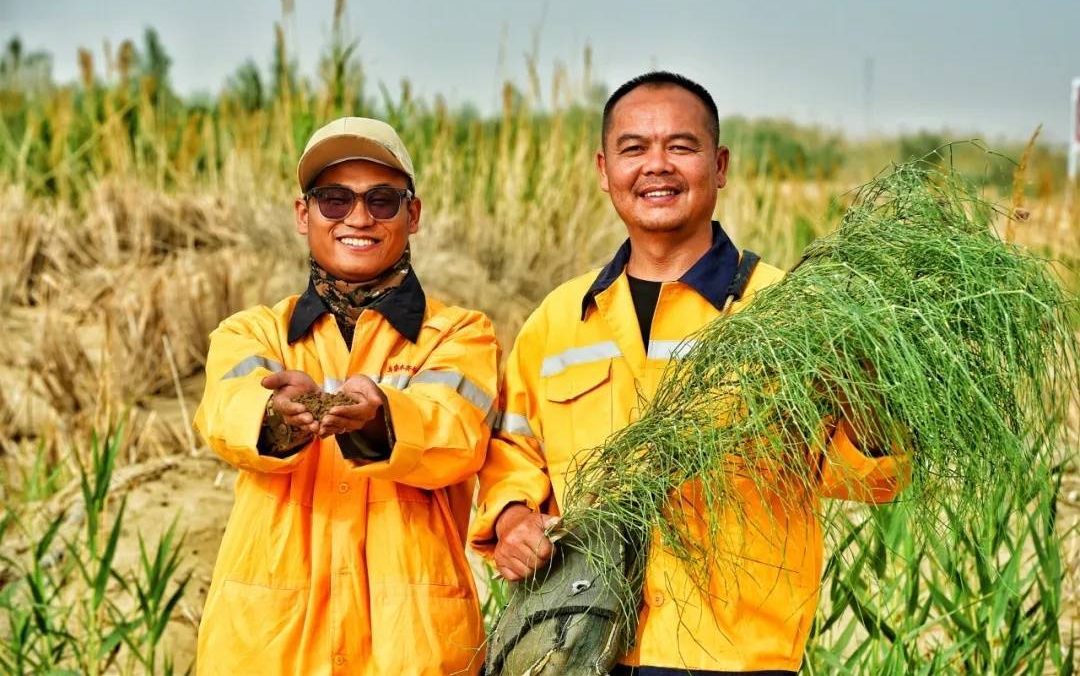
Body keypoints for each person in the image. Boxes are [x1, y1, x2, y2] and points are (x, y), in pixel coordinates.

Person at [469, 72, 905, 675]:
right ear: (604, 170)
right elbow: (514, 449)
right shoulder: (559, 319)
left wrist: (861, 391)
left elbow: (873, 478)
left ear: (719, 165)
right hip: (579, 645)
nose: (657, 166)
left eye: (681, 146)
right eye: (634, 148)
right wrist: (514, 514)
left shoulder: (786, 312)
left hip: (733, 655)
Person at [194, 116, 497, 676]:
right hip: (267, 650)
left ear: (414, 213)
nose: (358, 217)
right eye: (334, 200)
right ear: (302, 214)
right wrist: (279, 420)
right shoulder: (251, 332)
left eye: (382, 200)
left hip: (414, 652)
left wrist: (381, 416)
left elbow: (456, 438)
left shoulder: (460, 334)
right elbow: (225, 415)